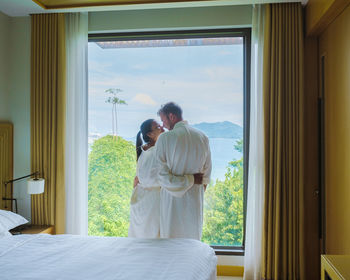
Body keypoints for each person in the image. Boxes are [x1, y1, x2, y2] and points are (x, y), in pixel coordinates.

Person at [155, 102, 212, 240]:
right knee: (192, 240)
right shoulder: (202, 137)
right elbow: (206, 173)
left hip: (172, 202)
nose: (162, 126)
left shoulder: (165, 138)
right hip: (195, 199)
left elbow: (162, 176)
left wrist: (185, 182)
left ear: (172, 116)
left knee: (171, 241)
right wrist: (193, 182)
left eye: (163, 120)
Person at [128, 119, 164, 238]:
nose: (162, 127)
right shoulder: (155, 151)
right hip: (150, 201)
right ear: (150, 134)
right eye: (158, 127)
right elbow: (154, 177)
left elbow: (141, 176)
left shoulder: (145, 150)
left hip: (142, 196)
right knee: (151, 236)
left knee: (143, 236)